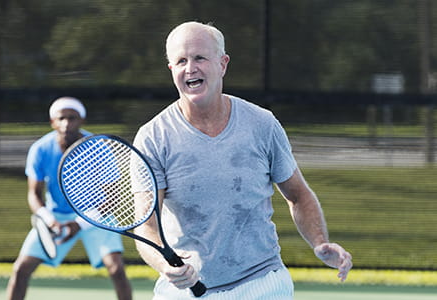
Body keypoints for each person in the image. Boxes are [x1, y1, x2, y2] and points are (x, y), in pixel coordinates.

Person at [132, 21, 353, 299]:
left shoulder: (262, 124)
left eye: (200, 57)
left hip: (262, 284)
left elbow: (298, 195)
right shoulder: (152, 137)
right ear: (172, 70)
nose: (190, 68)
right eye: (181, 61)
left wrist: (320, 242)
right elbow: (147, 225)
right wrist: (166, 265)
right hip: (185, 291)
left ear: (222, 64)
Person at [6, 97, 133, 300]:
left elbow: (112, 198)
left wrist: (79, 224)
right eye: (61, 118)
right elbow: (34, 194)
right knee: (21, 269)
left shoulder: (99, 147)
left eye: (72, 118)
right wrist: (49, 220)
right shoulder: (40, 149)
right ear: (52, 122)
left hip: (96, 215)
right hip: (56, 215)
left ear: (81, 120)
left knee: (116, 269)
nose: (66, 123)